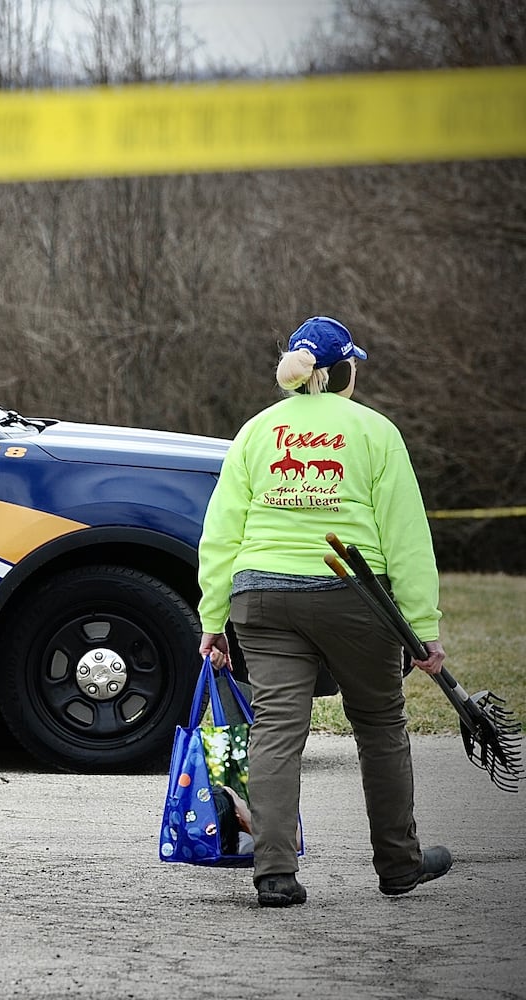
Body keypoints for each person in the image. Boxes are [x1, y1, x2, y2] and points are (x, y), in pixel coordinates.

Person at [197, 315, 452, 908]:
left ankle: (275, 874)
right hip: (354, 599)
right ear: (342, 372)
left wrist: (213, 619)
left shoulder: (256, 433)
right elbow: (407, 538)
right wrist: (424, 629)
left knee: (276, 732)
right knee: (380, 726)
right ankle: (398, 864)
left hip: (261, 598)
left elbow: (220, 534)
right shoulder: (375, 431)